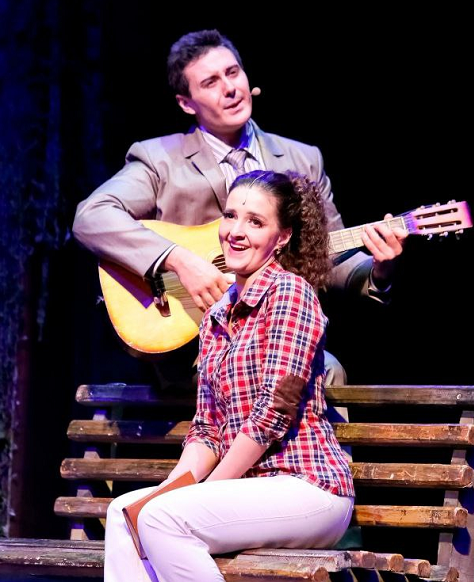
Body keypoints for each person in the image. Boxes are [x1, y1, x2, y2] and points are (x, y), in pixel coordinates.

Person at [72, 29, 406, 386]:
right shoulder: (160, 159)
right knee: (294, 374)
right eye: (211, 82)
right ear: (186, 103)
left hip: (280, 331)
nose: (230, 88)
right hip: (199, 345)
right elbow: (92, 216)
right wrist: (178, 260)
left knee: (324, 369)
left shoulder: (302, 159)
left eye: (233, 73)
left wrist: (378, 270)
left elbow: (328, 254)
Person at [104, 171, 355, 582]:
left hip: (308, 486)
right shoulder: (216, 313)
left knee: (163, 518)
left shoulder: (291, 294)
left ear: (282, 237)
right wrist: (171, 487)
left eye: (255, 221)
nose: (236, 231)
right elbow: (207, 428)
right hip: (246, 491)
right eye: (231, 216)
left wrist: (204, 491)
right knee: (124, 514)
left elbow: (273, 410)